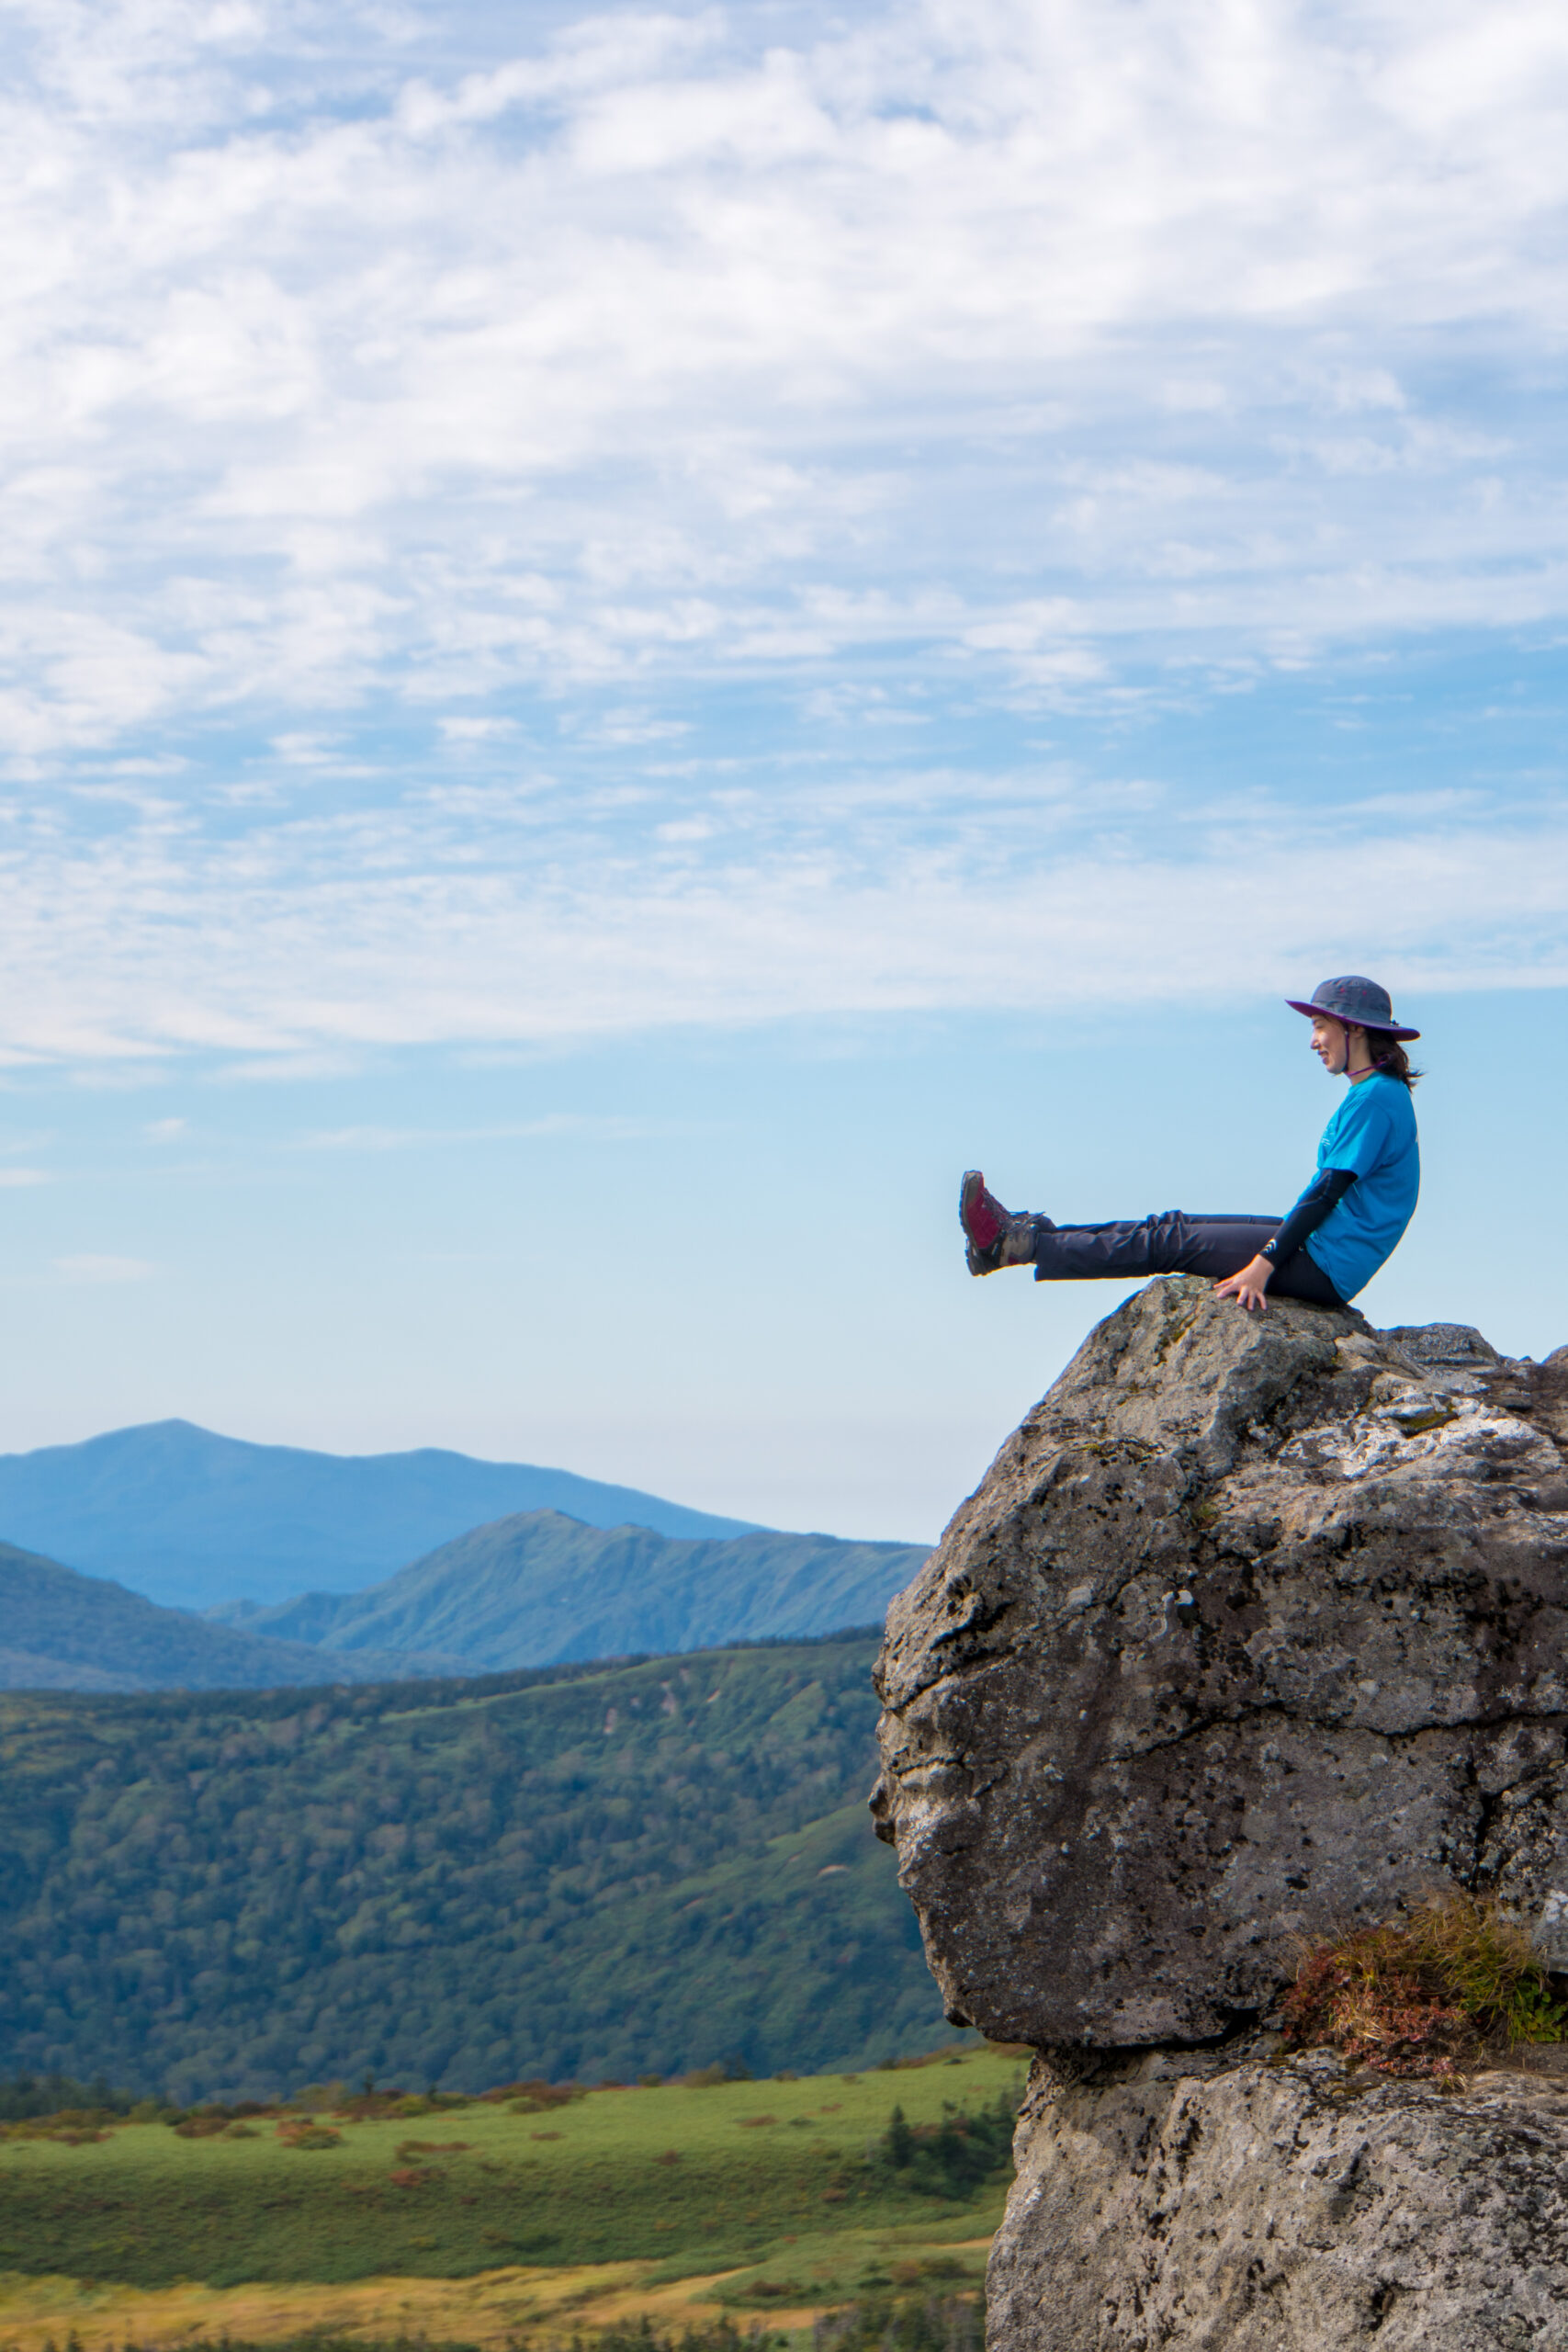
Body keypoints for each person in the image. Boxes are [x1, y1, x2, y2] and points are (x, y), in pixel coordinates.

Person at [960, 976, 1421, 1313]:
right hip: (1324, 1250)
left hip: (1326, 1264)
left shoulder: (1376, 1099)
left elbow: (1325, 1193)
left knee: (1170, 1241)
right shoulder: (1373, 1093)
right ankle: (1024, 1239)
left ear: (1354, 1029)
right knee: (1170, 1225)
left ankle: (1020, 1247)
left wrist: (1265, 1263)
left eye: (1320, 1026)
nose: (1313, 1041)